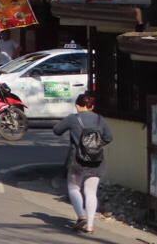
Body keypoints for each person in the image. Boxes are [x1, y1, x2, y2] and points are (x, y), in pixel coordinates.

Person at [53, 92, 113, 234]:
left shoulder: (72, 118)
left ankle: (81, 216)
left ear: (77, 106)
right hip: (96, 160)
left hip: (77, 160)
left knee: (74, 188)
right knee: (91, 192)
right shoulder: (100, 119)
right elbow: (109, 137)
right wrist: (95, 146)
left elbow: (56, 130)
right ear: (92, 106)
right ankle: (90, 225)